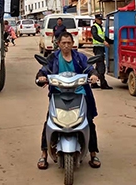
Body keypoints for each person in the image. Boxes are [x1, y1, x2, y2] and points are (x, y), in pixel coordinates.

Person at [35, 31, 103, 170]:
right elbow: (43, 70)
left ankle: (93, 153)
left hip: (79, 93)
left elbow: (90, 69)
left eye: (69, 43)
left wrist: (94, 75)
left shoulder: (79, 57)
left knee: (89, 122)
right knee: (50, 121)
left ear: (73, 44)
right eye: (63, 43)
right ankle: (44, 154)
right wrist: (41, 77)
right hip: (58, 94)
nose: (66, 46)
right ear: (58, 44)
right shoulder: (53, 58)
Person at [91, 14, 113, 90]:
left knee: (98, 66)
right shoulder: (94, 27)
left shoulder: (99, 27)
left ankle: (93, 83)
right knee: (101, 67)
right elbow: (95, 36)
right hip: (97, 48)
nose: (101, 21)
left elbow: (103, 37)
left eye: (101, 19)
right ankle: (103, 84)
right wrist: (103, 42)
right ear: (96, 19)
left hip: (100, 48)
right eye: (99, 19)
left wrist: (112, 41)